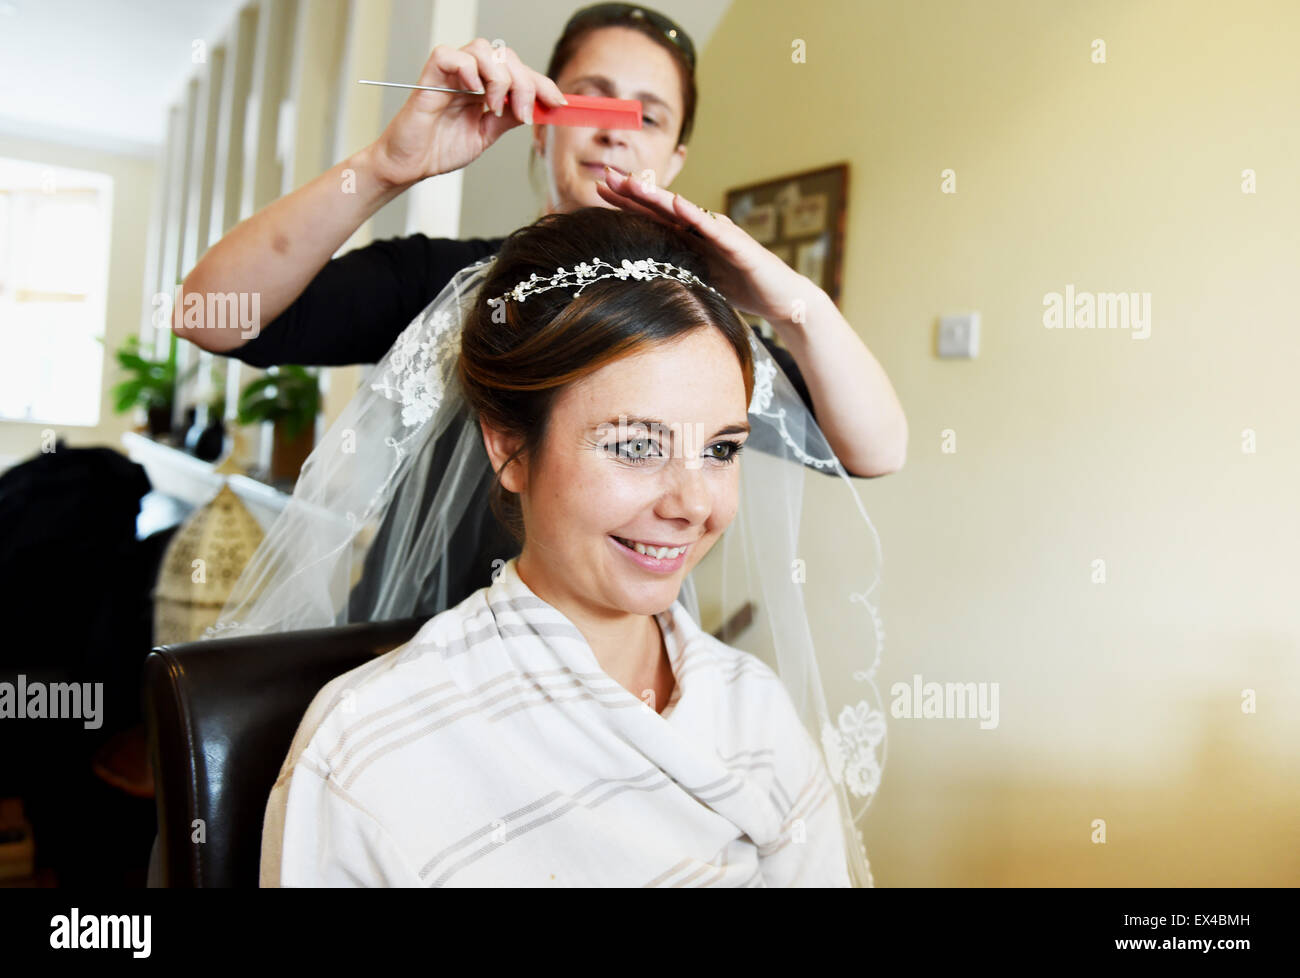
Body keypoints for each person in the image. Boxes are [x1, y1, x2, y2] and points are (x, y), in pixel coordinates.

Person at [258, 206, 885, 886]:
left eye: (721, 449)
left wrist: (799, 307)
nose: (694, 505)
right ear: (509, 448)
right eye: (636, 446)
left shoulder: (752, 708)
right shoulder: (369, 745)